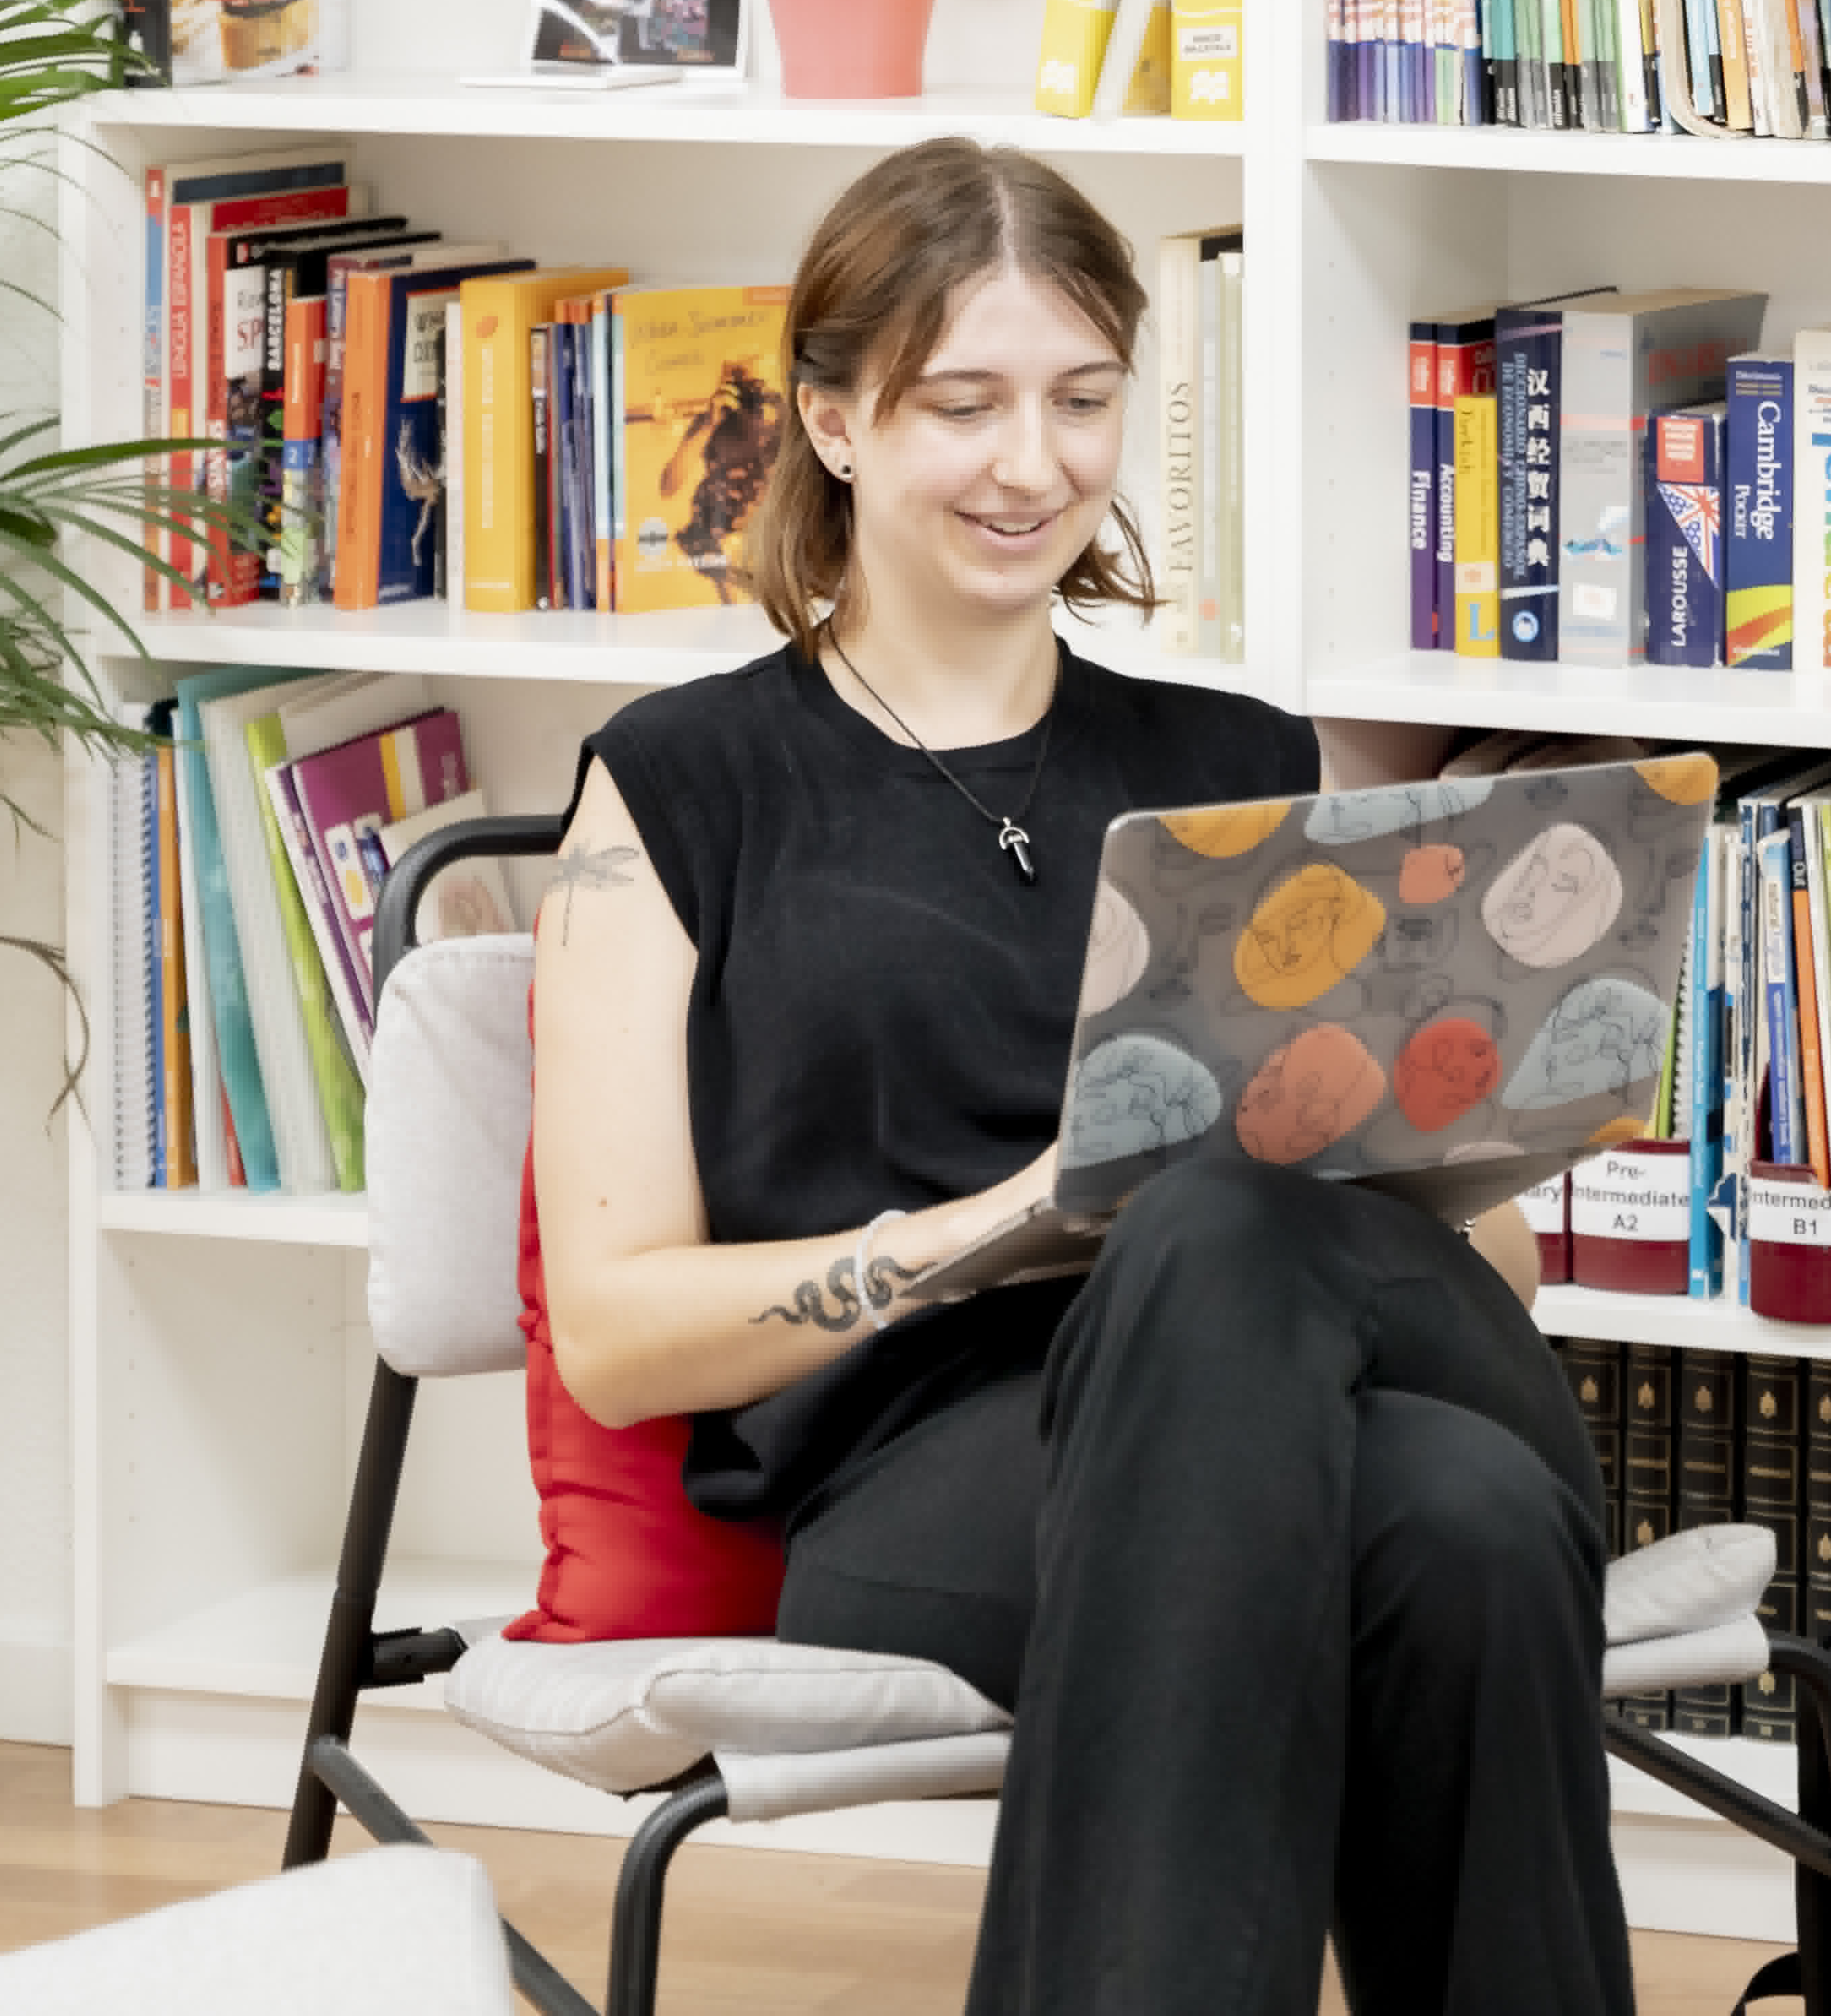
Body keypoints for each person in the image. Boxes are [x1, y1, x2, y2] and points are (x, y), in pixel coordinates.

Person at [527, 138, 1630, 2016]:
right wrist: (1012, 1225)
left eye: (1083, 399)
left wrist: (1398, 1144)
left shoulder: (1245, 756)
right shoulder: (674, 789)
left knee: (1227, 1233)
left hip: (1334, 1366)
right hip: (925, 1486)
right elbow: (621, 1338)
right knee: (1463, 1525)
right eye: (963, 404)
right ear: (838, 420)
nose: (1031, 464)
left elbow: (1499, 1279)